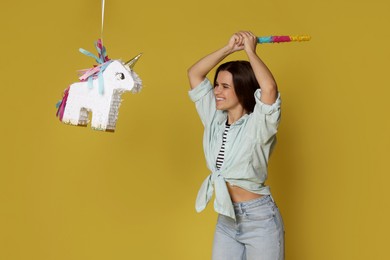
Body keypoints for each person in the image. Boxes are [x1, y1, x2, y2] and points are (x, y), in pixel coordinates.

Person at [187, 31, 285, 260]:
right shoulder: (214, 118)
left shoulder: (259, 124)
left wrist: (250, 50)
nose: (217, 92)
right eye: (216, 85)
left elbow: (269, 89)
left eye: (225, 87)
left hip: (260, 220)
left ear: (242, 89)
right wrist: (229, 48)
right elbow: (194, 73)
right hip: (227, 218)